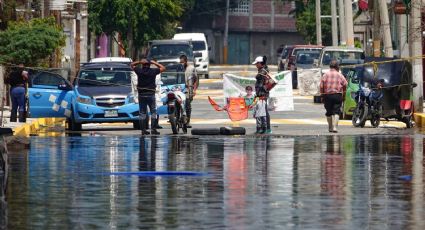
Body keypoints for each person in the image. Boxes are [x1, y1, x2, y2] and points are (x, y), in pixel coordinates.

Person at [131, 58, 165, 135]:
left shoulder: (139, 71)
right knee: (153, 112)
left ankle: (143, 130)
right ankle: (153, 129)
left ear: (142, 65)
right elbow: (163, 68)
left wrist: (139, 61)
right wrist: (155, 62)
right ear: (149, 65)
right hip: (151, 95)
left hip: (142, 95)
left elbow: (131, 65)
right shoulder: (153, 71)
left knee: (142, 113)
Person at [319, 60, 347, 133]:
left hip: (327, 95)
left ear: (330, 66)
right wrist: (343, 94)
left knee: (329, 112)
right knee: (337, 111)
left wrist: (322, 95)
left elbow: (321, 86)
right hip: (337, 95)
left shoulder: (325, 75)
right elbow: (345, 84)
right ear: (337, 66)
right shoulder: (340, 75)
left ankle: (330, 127)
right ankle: (335, 127)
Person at [252, 56, 272, 134]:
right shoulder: (261, 70)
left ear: (260, 63)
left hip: (262, 94)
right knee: (259, 111)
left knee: (264, 112)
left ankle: (266, 129)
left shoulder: (263, 71)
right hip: (259, 94)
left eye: (257, 63)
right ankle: (260, 128)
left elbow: (259, 76)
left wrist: (257, 75)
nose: (256, 65)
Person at [178, 55, 198, 127]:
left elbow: (196, 80)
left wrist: (194, 90)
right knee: (179, 105)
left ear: (186, 61)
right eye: (180, 62)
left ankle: (188, 121)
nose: (181, 64)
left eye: (182, 62)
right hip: (180, 89)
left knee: (187, 105)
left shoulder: (192, 68)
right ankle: (179, 120)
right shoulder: (179, 68)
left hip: (189, 89)